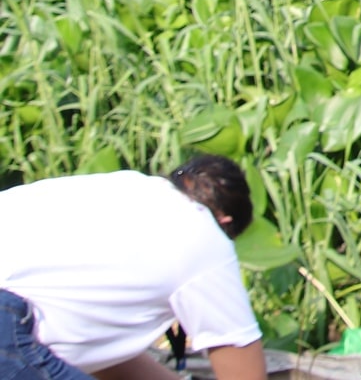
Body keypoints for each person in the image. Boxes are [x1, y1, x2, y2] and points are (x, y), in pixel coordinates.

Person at [0, 155, 266, 380]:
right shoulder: (203, 230)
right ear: (226, 221)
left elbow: (105, 357)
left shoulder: (127, 190)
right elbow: (240, 359)